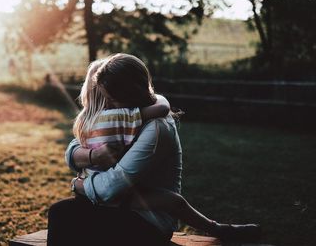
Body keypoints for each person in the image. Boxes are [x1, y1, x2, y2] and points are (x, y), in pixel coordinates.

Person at [47, 53, 261, 246]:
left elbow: (110, 188)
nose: (108, 107)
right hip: (119, 208)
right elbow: (77, 144)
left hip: (147, 220)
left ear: (128, 93)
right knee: (62, 214)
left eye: (111, 99)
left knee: (64, 217)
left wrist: (79, 184)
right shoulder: (124, 117)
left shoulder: (157, 128)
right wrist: (91, 155)